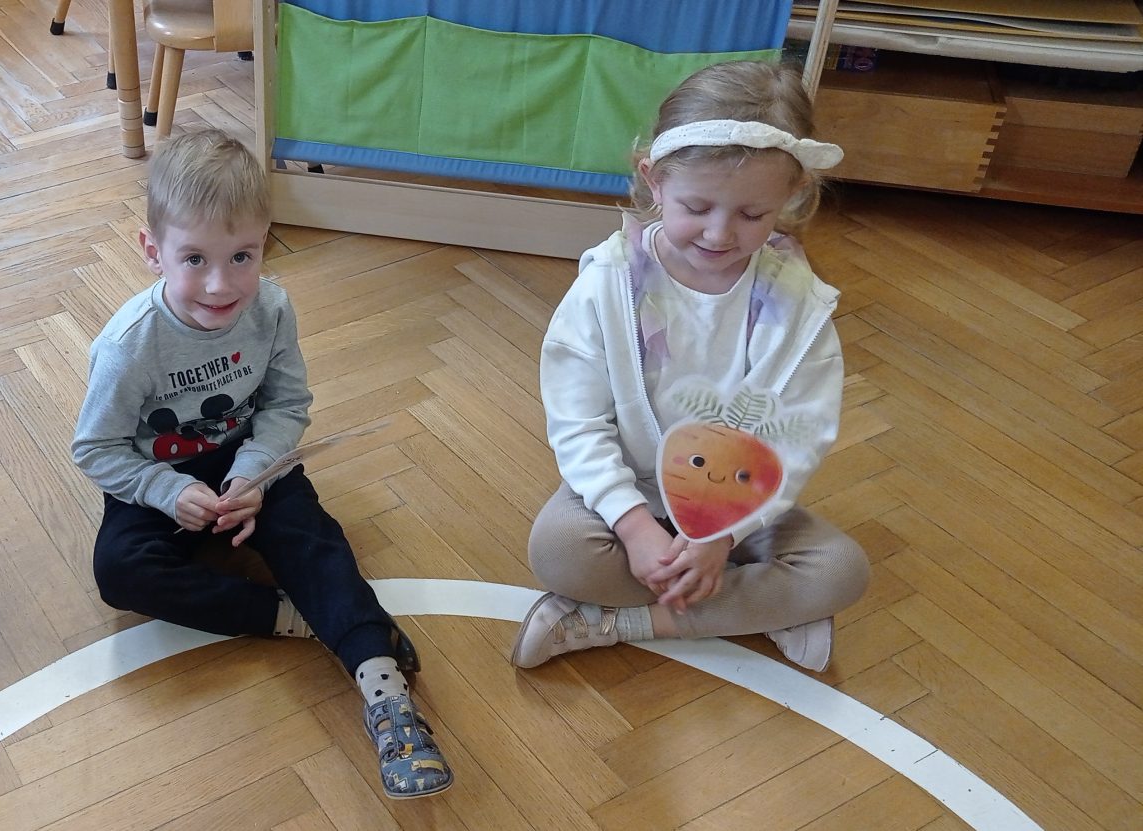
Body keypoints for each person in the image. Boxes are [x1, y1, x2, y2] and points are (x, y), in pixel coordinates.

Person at [72, 128, 453, 799]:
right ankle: (301, 615)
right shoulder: (129, 346)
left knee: (313, 539)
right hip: (155, 478)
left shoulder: (272, 309)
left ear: (265, 242)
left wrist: (252, 472)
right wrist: (165, 491)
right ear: (152, 251)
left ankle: (383, 686)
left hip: (251, 464)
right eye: (194, 259)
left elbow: (286, 405)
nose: (221, 285)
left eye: (242, 256)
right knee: (120, 571)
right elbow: (95, 448)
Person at [511, 61, 870, 673]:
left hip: (737, 511)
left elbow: (796, 437)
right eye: (697, 206)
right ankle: (758, 609)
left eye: (752, 216)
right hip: (629, 494)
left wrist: (721, 536)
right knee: (561, 551)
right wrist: (633, 526)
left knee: (841, 570)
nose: (719, 234)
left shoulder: (799, 306)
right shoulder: (607, 283)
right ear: (653, 179)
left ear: (791, 195)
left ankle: (623, 623)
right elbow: (578, 421)